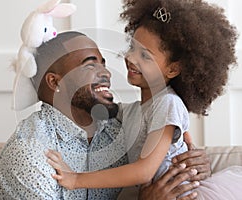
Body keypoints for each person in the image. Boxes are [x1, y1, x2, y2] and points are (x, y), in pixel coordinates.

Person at [46, 0, 242, 199]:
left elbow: (144, 171)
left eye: (145, 56)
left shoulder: (168, 103)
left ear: (172, 69)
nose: (131, 58)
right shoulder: (132, 111)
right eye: (132, 47)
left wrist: (76, 180)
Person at [0, 30, 211, 199]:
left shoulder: (116, 130)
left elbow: (159, 138)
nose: (106, 73)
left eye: (104, 64)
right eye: (90, 66)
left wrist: (194, 163)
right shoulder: (32, 153)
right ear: (56, 82)